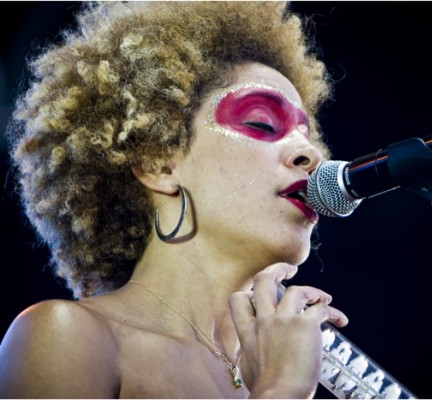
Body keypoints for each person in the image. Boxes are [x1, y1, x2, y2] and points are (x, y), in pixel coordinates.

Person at [0, 2, 349, 398]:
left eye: (307, 136)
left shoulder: (290, 367)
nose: (312, 155)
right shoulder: (65, 336)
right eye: (261, 123)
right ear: (158, 164)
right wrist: (281, 388)